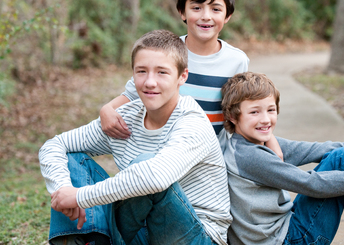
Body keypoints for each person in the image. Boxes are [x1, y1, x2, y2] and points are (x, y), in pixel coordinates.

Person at [39, 30, 232, 245]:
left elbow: (155, 177)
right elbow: (55, 144)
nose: (150, 82)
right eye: (142, 71)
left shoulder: (192, 122)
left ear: (182, 76)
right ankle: (83, 241)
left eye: (162, 72)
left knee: (145, 168)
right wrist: (63, 188)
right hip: (142, 231)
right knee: (73, 157)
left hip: (199, 235)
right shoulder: (126, 118)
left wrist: (79, 196)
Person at [219, 71, 344, 245]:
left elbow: (319, 149)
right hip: (289, 240)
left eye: (271, 110)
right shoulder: (250, 156)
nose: (265, 119)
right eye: (254, 112)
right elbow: (312, 184)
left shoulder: (245, 143)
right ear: (233, 117)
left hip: (282, 232)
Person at [98, 0, 284, 160]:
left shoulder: (236, 60)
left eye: (215, 9)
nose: (206, 16)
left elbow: (246, 107)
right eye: (196, 8)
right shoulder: (167, 52)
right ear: (182, 12)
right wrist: (107, 109)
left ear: (227, 16)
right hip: (165, 152)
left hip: (210, 157)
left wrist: (270, 141)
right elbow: (132, 93)